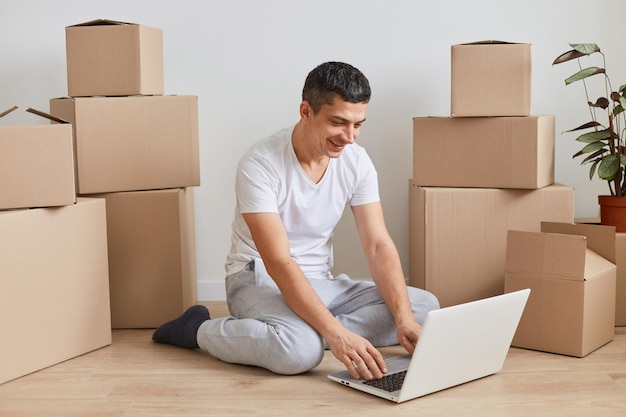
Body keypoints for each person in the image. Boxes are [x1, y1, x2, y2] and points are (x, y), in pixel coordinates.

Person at [152, 61, 439, 380]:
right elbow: (278, 261)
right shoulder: (260, 164)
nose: (350, 137)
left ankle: (310, 329)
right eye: (339, 123)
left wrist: (403, 319)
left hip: (321, 282)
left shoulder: (356, 161)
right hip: (258, 277)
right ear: (306, 111)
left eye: (358, 124)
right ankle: (198, 330)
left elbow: (377, 244)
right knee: (300, 352)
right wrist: (336, 333)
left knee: (424, 308)